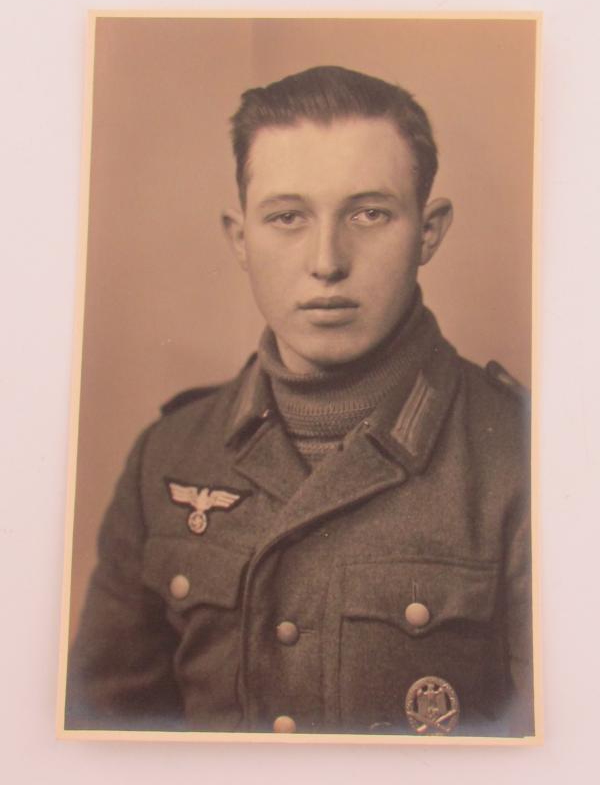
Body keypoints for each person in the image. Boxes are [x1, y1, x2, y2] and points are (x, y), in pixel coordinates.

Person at [65, 66, 533, 737]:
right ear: (239, 238)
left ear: (428, 232)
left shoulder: (523, 461)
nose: (326, 261)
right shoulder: (167, 454)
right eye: (287, 217)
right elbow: (101, 740)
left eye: (369, 214)